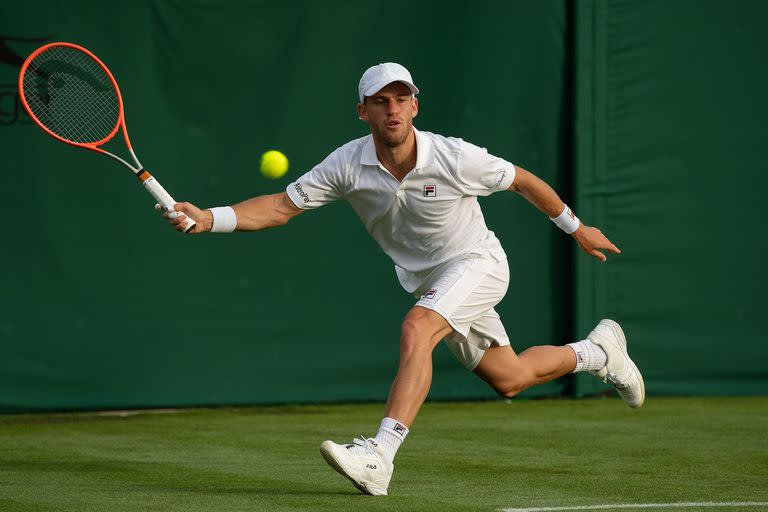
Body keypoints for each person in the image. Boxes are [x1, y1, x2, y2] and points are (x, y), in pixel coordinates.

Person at [162, 62, 644, 496]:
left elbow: (522, 180)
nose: (392, 109)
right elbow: (279, 208)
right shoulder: (347, 165)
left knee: (417, 328)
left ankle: (380, 456)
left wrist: (576, 228)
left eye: (400, 98)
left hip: (479, 263)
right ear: (363, 111)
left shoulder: (455, 157)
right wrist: (209, 217)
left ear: (415, 105)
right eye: (380, 101)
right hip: (430, 278)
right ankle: (601, 352)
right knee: (510, 377)